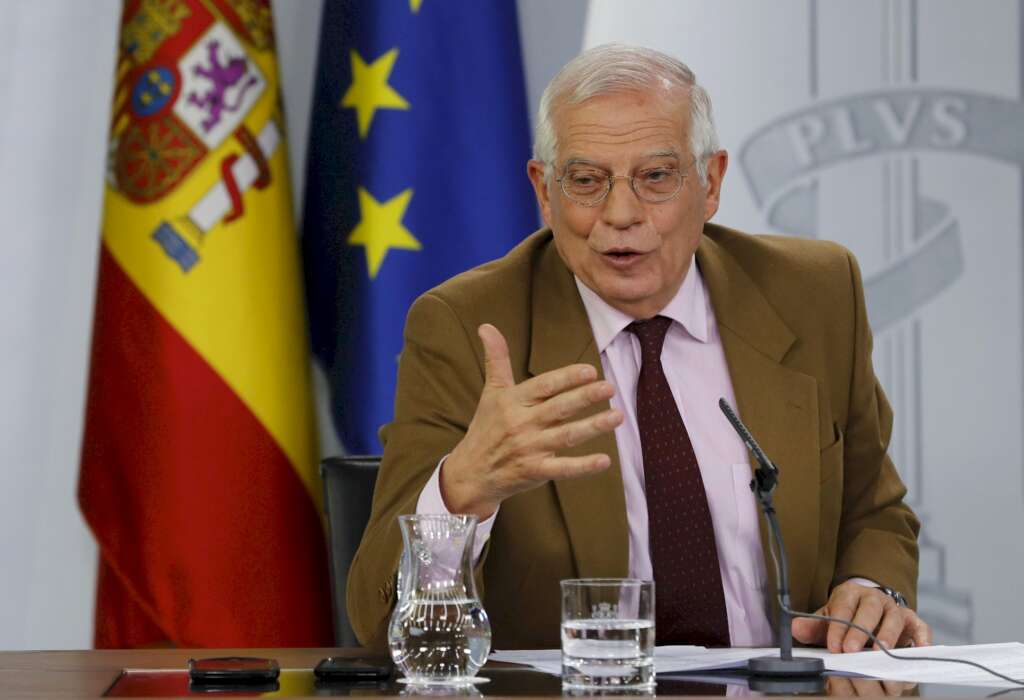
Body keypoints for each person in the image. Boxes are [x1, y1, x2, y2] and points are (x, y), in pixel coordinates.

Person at [347, 43, 931, 652]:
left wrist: (872, 586)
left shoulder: (815, 293)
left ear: (710, 183)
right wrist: (461, 491)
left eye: (655, 177)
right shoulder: (465, 328)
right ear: (545, 193)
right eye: (586, 181)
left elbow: (874, 510)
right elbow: (374, 615)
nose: (621, 213)